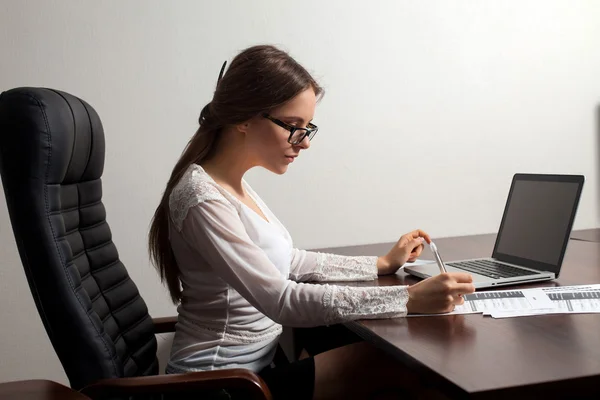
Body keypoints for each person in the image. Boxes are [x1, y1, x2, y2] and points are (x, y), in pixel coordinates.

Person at [148, 44, 475, 399]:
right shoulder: (202, 198)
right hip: (216, 386)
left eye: (307, 128)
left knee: (374, 345)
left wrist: (381, 264)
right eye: (292, 126)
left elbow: (290, 261)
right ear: (243, 117)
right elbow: (281, 299)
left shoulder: (233, 187)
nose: (304, 143)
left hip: (255, 367)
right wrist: (407, 299)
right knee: (395, 363)